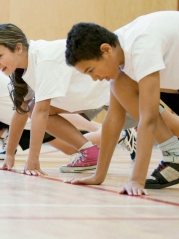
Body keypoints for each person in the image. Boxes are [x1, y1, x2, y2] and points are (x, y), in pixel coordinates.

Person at [0, 23, 143, 175]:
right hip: (89, 96)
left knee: (159, 124)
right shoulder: (20, 69)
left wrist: (33, 159)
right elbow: (21, 112)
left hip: (108, 89)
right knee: (33, 108)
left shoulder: (43, 60)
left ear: (18, 48)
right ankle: (90, 153)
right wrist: (10, 155)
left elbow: (41, 112)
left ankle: (127, 137)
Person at [64, 12, 179, 195]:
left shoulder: (141, 45)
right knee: (120, 84)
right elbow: (112, 120)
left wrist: (136, 180)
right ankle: (175, 153)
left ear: (106, 50)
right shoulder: (118, 47)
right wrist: (98, 176)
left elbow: (148, 118)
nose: (95, 78)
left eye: (92, 70)